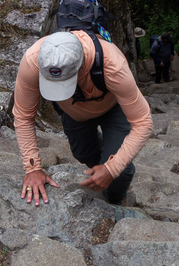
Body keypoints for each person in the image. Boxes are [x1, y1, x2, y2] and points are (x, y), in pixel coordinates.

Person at [13, 30, 153, 206]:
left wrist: (113, 167)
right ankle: (107, 161)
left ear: (82, 66)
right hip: (73, 110)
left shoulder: (112, 65)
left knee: (120, 173)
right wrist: (32, 169)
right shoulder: (33, 61)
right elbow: (24, 116)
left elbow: (143, 122)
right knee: (82, 153)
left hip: (113, 107)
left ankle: (116, 200)